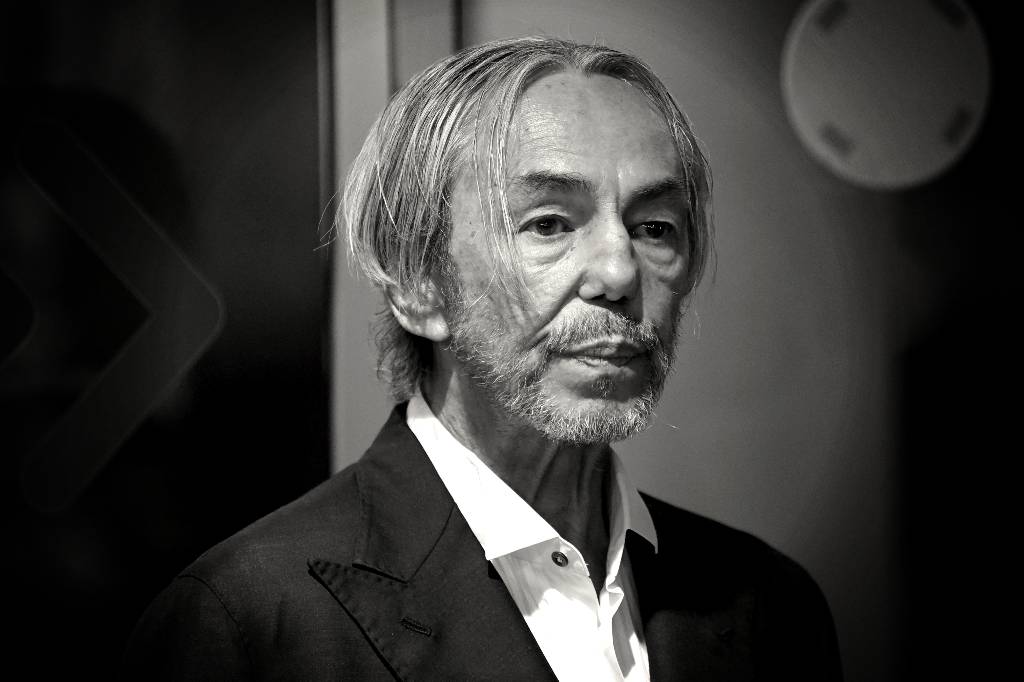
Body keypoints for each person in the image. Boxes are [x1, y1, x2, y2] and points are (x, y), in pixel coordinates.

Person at [122, 36, 842, 681]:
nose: (620, 272)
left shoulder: (770, 606)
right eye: (549, 223)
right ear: (418, 285)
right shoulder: (249, 623)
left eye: (655, 227)